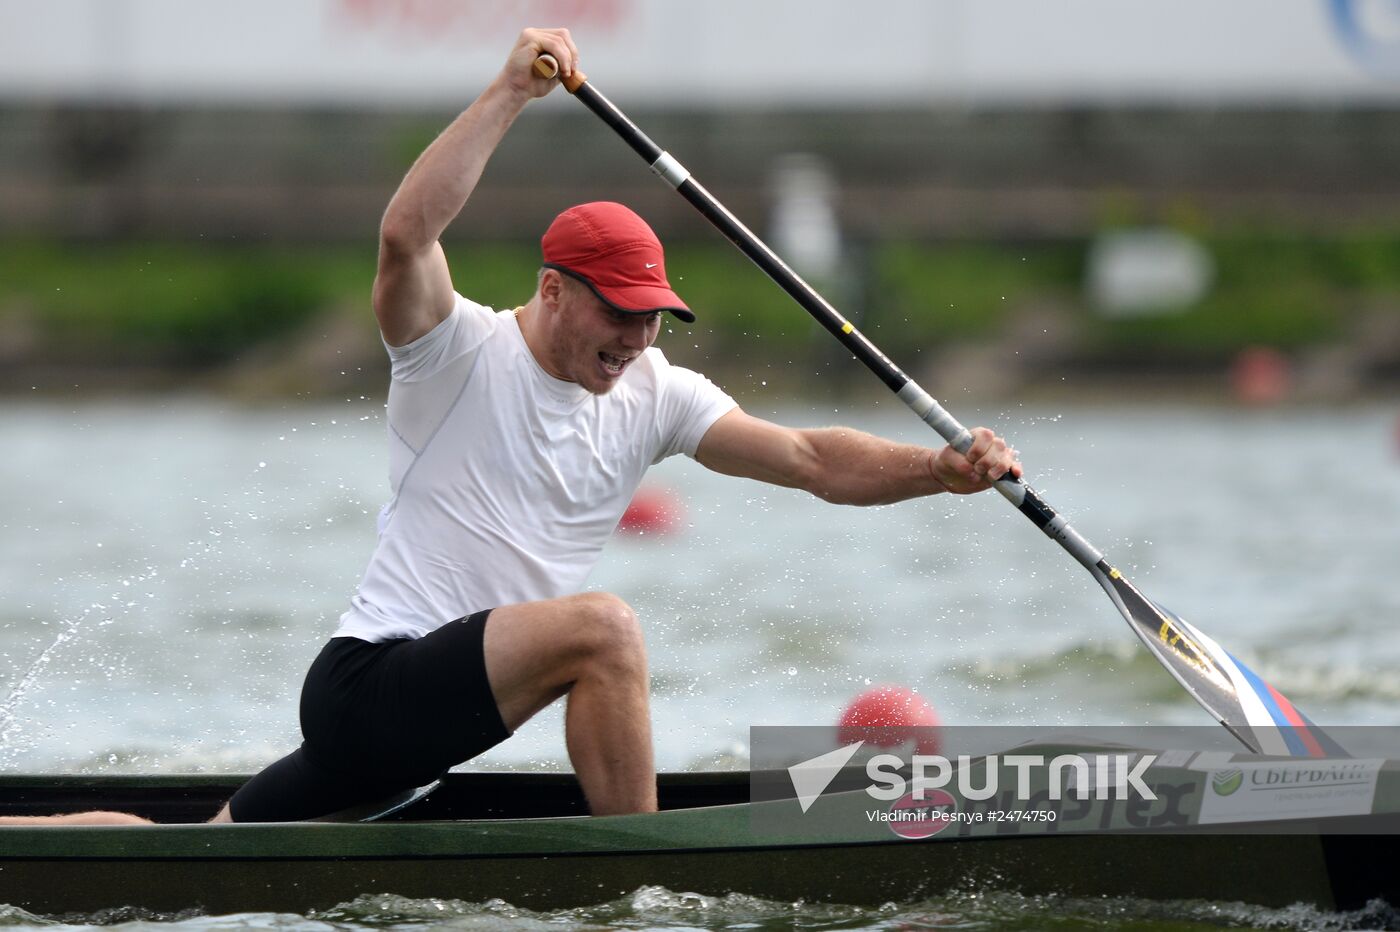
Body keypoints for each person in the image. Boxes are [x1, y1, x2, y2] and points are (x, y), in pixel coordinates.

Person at [0, 27, 1019, 827]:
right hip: (368, 686)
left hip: (427, 725)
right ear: (551, 289)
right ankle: (639, 876)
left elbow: (809, 457)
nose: (635, 334)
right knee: (602, 628)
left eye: (651, 313)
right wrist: (510, 95)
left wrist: (937, 467)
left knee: (198, 849)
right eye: (617, 311)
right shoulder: (453, 352)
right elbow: (406, 235)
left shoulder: (652, 390)